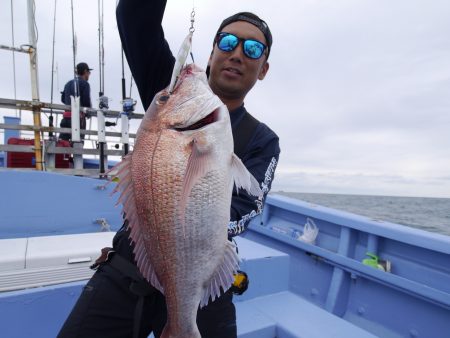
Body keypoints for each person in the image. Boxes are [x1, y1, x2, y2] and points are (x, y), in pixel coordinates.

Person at [58, 1, 280, 337]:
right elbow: (134, 18)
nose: (237, 53)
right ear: (210, 53)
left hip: (201, 278)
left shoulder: (261, 139)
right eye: (227, 42)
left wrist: (193, 225)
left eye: (252, 48)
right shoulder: (171, 94)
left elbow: (247, 208)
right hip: (131, 263)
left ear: (263, 69)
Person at [59, 62, 93, 141]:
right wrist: (88, 112)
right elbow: (86, 102)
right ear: (85, 71)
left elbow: (63, 99)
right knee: (78, 144)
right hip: (78, 119)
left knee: (63, 144)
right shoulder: (85, 84)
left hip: (65, 118)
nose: (89, 74)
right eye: (89, 72)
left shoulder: (68, 83)